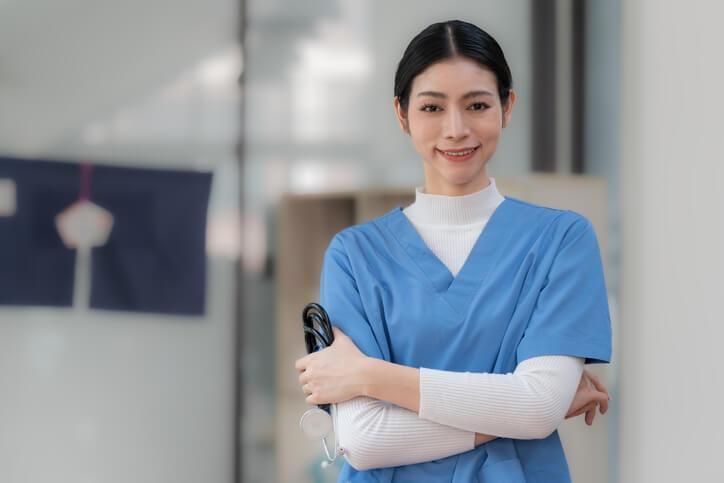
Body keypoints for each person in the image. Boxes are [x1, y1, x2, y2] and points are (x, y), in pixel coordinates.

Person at [295, 19, 612, 482]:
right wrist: (512, 412)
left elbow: (538, 410)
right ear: (402, 115)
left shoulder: (561, 240)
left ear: (507, 107)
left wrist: (371, 376)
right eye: (432, 108)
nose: (456, 129)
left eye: (477, 104)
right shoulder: (354, 255)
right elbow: (364, 440)